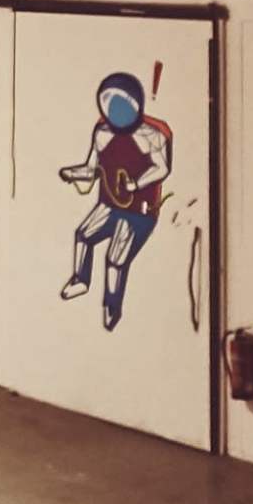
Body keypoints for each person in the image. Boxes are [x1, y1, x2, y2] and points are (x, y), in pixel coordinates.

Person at [55, 71, 172, 330]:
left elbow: (162, 168)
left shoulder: (151, 136)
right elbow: (92, 167)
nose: (115, 110)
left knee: (116, 258)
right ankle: (80, 280)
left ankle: (112, 306)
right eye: (110, 103)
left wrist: (137, 183)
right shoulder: (102, 132)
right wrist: (73, 174)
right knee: (84, 234)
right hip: (109, 204)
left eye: (121, 104)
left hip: (138, 212)